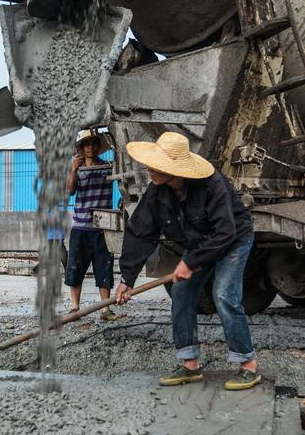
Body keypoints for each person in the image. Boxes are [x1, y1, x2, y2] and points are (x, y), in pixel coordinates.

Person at [115, 131, 260, 390]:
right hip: (199, 244)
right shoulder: (157, 190)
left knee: (224, 294)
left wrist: (190, 262)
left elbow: (224, 232)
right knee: (181, 292)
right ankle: (189, 364)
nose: (149, 169)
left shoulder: (211, 185)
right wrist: (127, 278)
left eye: (157, 166)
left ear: (176, 169)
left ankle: (247, 364)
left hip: (233, 238)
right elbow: (140, 231)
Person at [65, 130, 116, 320]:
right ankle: (74, 308)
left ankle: (105, 309)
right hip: (80, 226)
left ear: (98, 146)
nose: (90, 147)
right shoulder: (75, 167)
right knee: (76, 267)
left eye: (94, 144)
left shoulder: (107, 167)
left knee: (104, 267)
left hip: (103, 226)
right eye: (86, 144)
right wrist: (73, 170)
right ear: (80, 148)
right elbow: (70, 191)